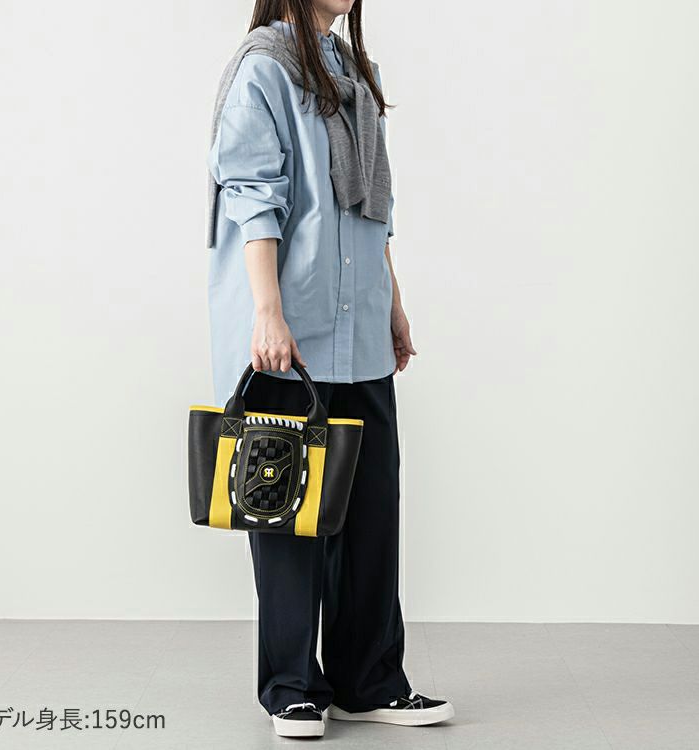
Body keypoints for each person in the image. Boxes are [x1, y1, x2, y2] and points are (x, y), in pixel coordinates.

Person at [206, 0, 454, 738]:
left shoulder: (355, 72)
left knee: (372, 512)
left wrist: (393, 305)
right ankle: (291, 687)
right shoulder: (263, 69)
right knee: (285, 512)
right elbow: (252, 196)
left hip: (360, 325)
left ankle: (368, 681)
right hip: (291, 331)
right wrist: (267, 311)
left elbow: (375, 212)